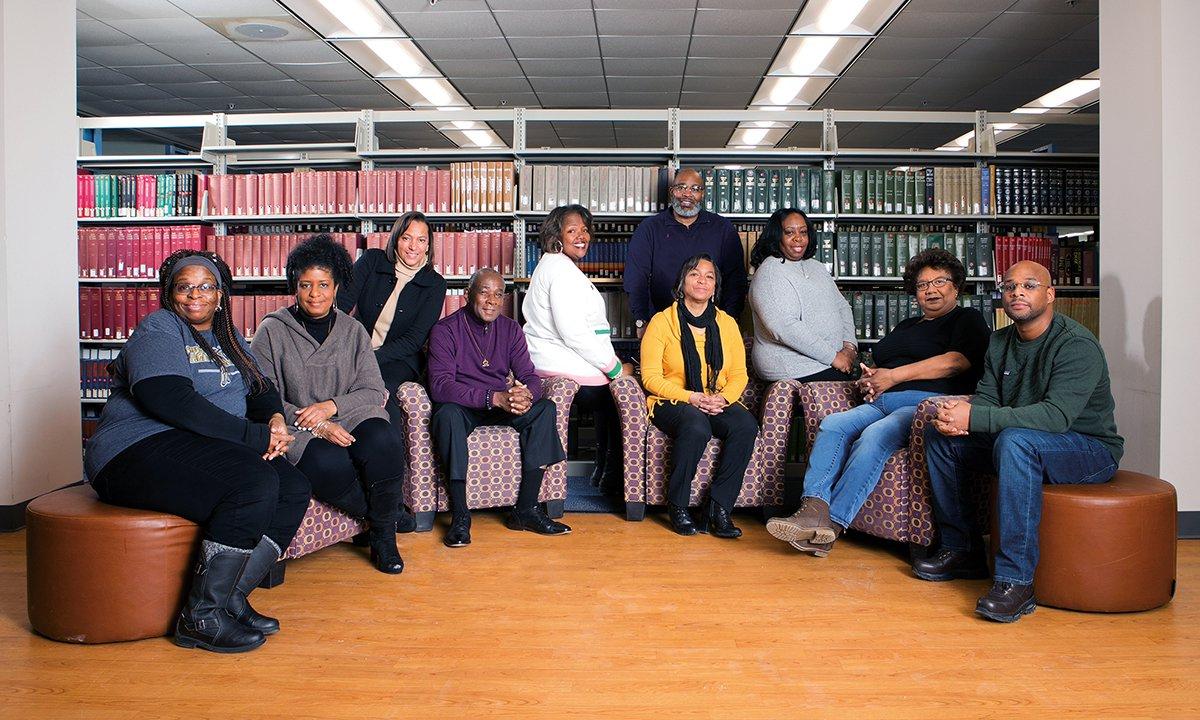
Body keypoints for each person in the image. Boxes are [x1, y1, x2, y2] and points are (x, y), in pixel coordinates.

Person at [84, 250, 310, 654]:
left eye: (205, 286)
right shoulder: (161, 327)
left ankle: (230, 598)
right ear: (170, 294)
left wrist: (274, 419)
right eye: (184, 287)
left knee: (292, 485)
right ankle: (200, 619)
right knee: (252, 479)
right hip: (133, 449)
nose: (194, 295)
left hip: (195, 444)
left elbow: (260, 389)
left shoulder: (229, 338)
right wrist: (253, 438)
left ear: (220, 294)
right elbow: (171, 400)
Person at [914, 260, 1123, 623]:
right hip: (1023, 440)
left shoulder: (1077, 345)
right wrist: (958, 422)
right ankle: (961, 550)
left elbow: (1055, 418)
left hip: (1088, 448)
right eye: (1010, 287)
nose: (1017, 293)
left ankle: (1016, 581)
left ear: (1050, 294)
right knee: (940, 436)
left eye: (1028, 286)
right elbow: (991, 402)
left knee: (1015, 442)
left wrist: (975, 417)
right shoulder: (1000, 341)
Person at [766, 248, 991, 556]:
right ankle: (814, 508)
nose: (931, 289)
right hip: (882, 401)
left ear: (956, 286)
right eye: (923, 284)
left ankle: (831, 525)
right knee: (833, 424)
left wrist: (893, 376)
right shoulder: (907, 326)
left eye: (940, 281)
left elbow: (955, 363)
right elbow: (884, 366)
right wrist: (872, 380)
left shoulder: (967, 319)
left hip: (925, 403)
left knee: (874, 436)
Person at [251, 235, 406, 575]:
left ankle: (384, 540)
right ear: (295, 287)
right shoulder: (272, 331)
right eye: (306, 285)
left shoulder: (353, 331)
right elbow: (265, 395)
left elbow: (372, 389)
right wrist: (316, 423)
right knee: (326, 460)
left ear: (337, 287)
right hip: (296, 424)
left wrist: (331, 407)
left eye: (323, 284)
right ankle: (381, 519)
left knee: (383, 439)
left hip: (349, 414)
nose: (315, 294)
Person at [427, 268, 572, 548]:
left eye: (498, 294)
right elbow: (441, 387)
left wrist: (526, 395)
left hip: (501, 403)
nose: (492, 300)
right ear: (468, 295)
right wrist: (493, 397)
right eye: (484, 292)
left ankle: (525, 510)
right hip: (465, 405)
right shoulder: (445, 330)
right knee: (446, 416)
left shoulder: (510, 329)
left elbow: (530, 375)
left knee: (544, 409)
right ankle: (460, 517)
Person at [337, 211, 447, 533]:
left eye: (421, 239)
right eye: (407, 237)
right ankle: (353, 491)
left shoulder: (434, 283)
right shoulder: (372, 262)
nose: (413, 246)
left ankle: (392, 503)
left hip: (399, 361)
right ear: (396, 238)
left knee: (382, 403)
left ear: (429, 246)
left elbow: (414, 339)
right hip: (356, 351)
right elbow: (342, 304)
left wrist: (368, 360)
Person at [640, 253, 758, 538]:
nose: (702, 280)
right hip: (672, 400)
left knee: (745, 425)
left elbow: (740, 373)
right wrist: (691, 397)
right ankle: (678, 505)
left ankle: (718, 509)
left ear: (715, 286)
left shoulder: (726, 323)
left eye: (709, 276)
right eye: (695, 274)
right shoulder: (662, 322)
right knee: (696, 425)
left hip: (715, 397)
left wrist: (724, 399)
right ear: (682, 282)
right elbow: (650, 377)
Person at [521, 204, 633, 492]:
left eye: (584, 229)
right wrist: (615, 367)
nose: (581, 235)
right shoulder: (560, 269)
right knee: (615, 394)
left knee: (610, 394)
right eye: (572, 230)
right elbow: (573, 333)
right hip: (559, 362)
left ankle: (603, 471)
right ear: (556, 235)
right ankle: (609, 473)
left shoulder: (557, 265)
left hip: (557, 358)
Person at [625, 168, 748, 338]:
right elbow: (636, 278)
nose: (687, 194)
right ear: (671, 192)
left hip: (712, 328)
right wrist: (642, 320)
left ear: (703, 194)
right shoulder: (649, 228)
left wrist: (729, 320)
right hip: (662, 328)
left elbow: (735, 280)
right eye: (680, 187)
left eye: (695, 189)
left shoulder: (723, 229)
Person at [748, 207, 858, 382]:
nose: (798, 238)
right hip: (793, 366)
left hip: (831, 360)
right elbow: (783, 327)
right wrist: (834, 358)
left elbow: (842, 306)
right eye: (789, 232)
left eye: (803, 232)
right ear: (777, 236)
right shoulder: (770, 272)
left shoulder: (817, 267)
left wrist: (849, 347)